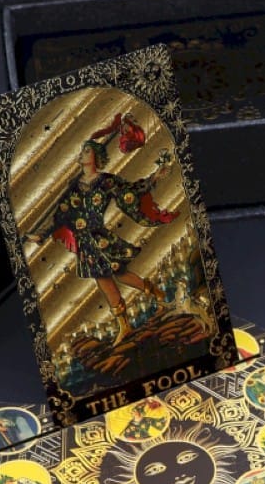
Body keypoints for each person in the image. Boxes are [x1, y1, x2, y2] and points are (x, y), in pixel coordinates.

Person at [25, 112, 178, 339]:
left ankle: (159, 295)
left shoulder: (106, 181)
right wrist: (42, 234)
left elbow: (129, 193)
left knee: (121, 274)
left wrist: (153, 178)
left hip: (100, 237)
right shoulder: (74, 186)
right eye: (83, 150)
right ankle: (124, 326)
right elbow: (61, 213)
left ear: (96, 156)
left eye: (87, 151)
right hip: (85, 243)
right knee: (104, 282)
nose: (82, 154)